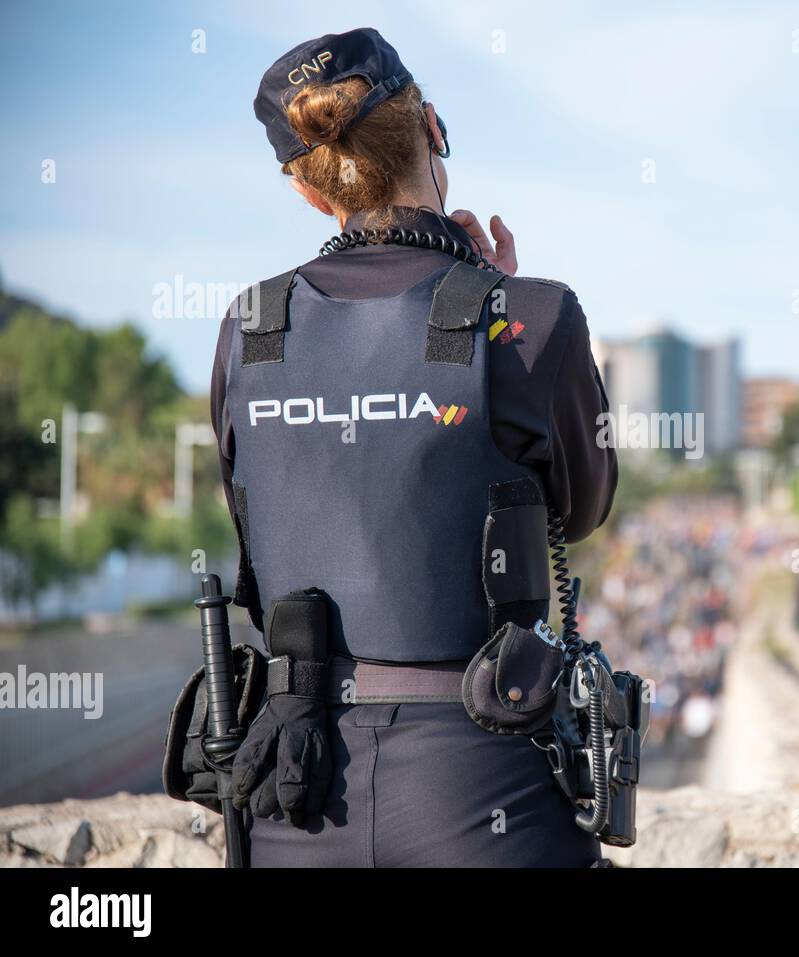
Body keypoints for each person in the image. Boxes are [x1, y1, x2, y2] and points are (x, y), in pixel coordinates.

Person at [207, 28, 617, 866]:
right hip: (483, 776)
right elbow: (584, 505)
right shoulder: (532, 317)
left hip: (295, 784)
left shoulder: (250, 327)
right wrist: (500, 300)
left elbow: (262, 517)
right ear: (432, 126)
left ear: (309, 192)